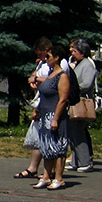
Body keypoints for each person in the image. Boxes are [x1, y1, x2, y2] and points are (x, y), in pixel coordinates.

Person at [29, 41, 71, 190]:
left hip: (56, 117)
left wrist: (55, 119)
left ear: (57, 57)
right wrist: (38, 111)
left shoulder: (62, 76)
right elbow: (43, 96)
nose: (46, 59)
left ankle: (59, 178)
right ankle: (46, 177)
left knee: (59, 148)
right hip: (45, 115)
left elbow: (63, 99)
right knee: (46, 147)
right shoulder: (50, 74)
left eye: (49, 56)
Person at [14, 37, 56, 180]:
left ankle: (51, 171)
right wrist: (33, 79)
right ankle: (33, 168)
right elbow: (35, 75)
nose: (39, 57)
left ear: (46, 50)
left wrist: (37, 80)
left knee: (50, 138)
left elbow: (56, 80)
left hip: (51, 104)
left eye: (40, 54)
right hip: (40, 102)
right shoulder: (41, 64)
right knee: (38, 136)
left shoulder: (57, 63)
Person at [66, 37, 97, 173]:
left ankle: (85, 161)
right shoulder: (79, 64)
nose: (72, 53)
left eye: (75, 51)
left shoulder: (87, 65)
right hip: (75, 102)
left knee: (78, 132)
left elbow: (87, 84)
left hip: (82, 103)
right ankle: (76, 161)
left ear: (82, 52)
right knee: (72, 133)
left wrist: (72, 88)